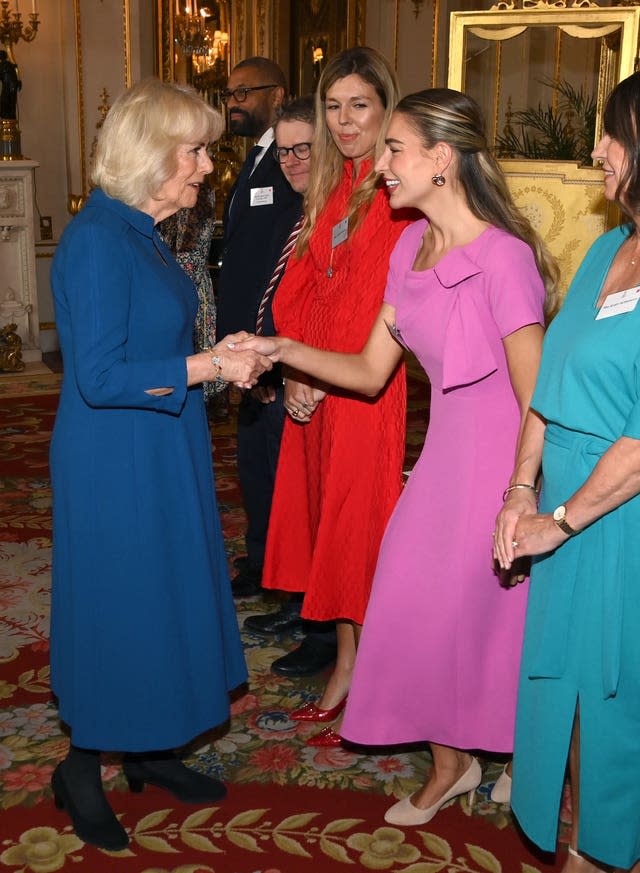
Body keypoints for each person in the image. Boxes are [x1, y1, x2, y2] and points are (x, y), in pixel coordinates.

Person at [238, 87, 556, 802]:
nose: (380, 162)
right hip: (443, 457)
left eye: (395, 148)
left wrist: (521, 489)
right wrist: (283, 347)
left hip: (506, 463)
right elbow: (370, 368)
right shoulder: (410, 243)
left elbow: (539, 399)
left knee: (493, 618)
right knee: (408, 603)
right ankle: (455, 762)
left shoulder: (503, 259)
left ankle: (504, 756)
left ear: (441, 159)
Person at [48, 78, 271, 852]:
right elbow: (98, 377)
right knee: (124, 602)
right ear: (151, 154)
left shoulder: (139, 230)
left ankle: (146, 749)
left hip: (156, 440)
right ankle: (82, 766)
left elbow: (157, 342)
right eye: (196, 149)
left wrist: (218, 353)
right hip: (115, 456)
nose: (209, 165)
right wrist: (208, 365)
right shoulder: (98, 240)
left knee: (164, 592)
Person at [494, 71, 640, 873]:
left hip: (620, 521)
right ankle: (581, 846)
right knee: (566, 695)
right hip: (567, 507)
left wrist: (561, 520)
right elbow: (546, 385)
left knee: (619, 705)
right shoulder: (608, 247)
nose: (595, 151)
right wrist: (523, 488)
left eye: (611, 134)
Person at [253, 46, 415, 746]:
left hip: (361, 389)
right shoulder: (332, 185)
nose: (345, 121)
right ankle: (349, 658)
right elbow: (297, 290)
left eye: (360, 106)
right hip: (315, 389)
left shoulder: (393, 192)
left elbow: (373, 305)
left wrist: (314, 372)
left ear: (386, 110)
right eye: (333, 106)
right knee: (328, 529)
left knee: (360, 533)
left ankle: (377, 674)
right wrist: (295, 373)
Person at [241, 95, 338, 677]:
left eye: (306, 147)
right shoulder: (301, 209)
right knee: (288, 502)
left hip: (326, 383)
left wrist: (296, 369)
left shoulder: (337, 211)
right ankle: (302, 607)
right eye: (284, 151)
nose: (294, 160)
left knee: (319, 509)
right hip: (286, 375)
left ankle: (323, 630)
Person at [216, 56, 301, 597]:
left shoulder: (295, 166)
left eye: (245, 91)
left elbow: (286, 264)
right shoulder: (252, 160)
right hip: (247, 342)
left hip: (272, 345)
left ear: (279, 93)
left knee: (278, 469)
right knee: (253, 463)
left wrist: (269, 351)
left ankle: (283, 577)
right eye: (230, 93)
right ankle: (261, 562)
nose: (234, 102)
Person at [159, 182, 221, 403]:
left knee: (192, 378)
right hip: (174, 285)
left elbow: (190, 253)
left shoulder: (200, 193)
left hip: (186, 288)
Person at [0, 50, 20, 120]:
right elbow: (16, 74)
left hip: (8, 88)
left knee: (5, 102)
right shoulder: (11, 65)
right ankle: (10, 117)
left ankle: (7, 117)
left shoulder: (1, 66)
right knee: (11, 104)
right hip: (13, 87)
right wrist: (18, 82)